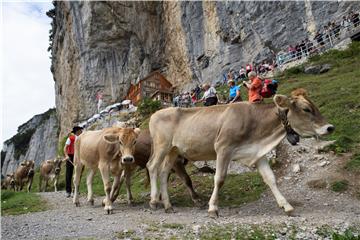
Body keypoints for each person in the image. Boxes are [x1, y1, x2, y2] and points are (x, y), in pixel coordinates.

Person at [63, 126, 83, 198]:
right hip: (71, 156)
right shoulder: (70, 138)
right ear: (77, 131)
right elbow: (65, 148)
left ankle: (76, 190)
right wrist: (66, 156)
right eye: (80, 130)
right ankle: (68, 191)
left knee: (78, 174)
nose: (81, 131)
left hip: (79, 156)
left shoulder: (82, 138)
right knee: (69, 174)